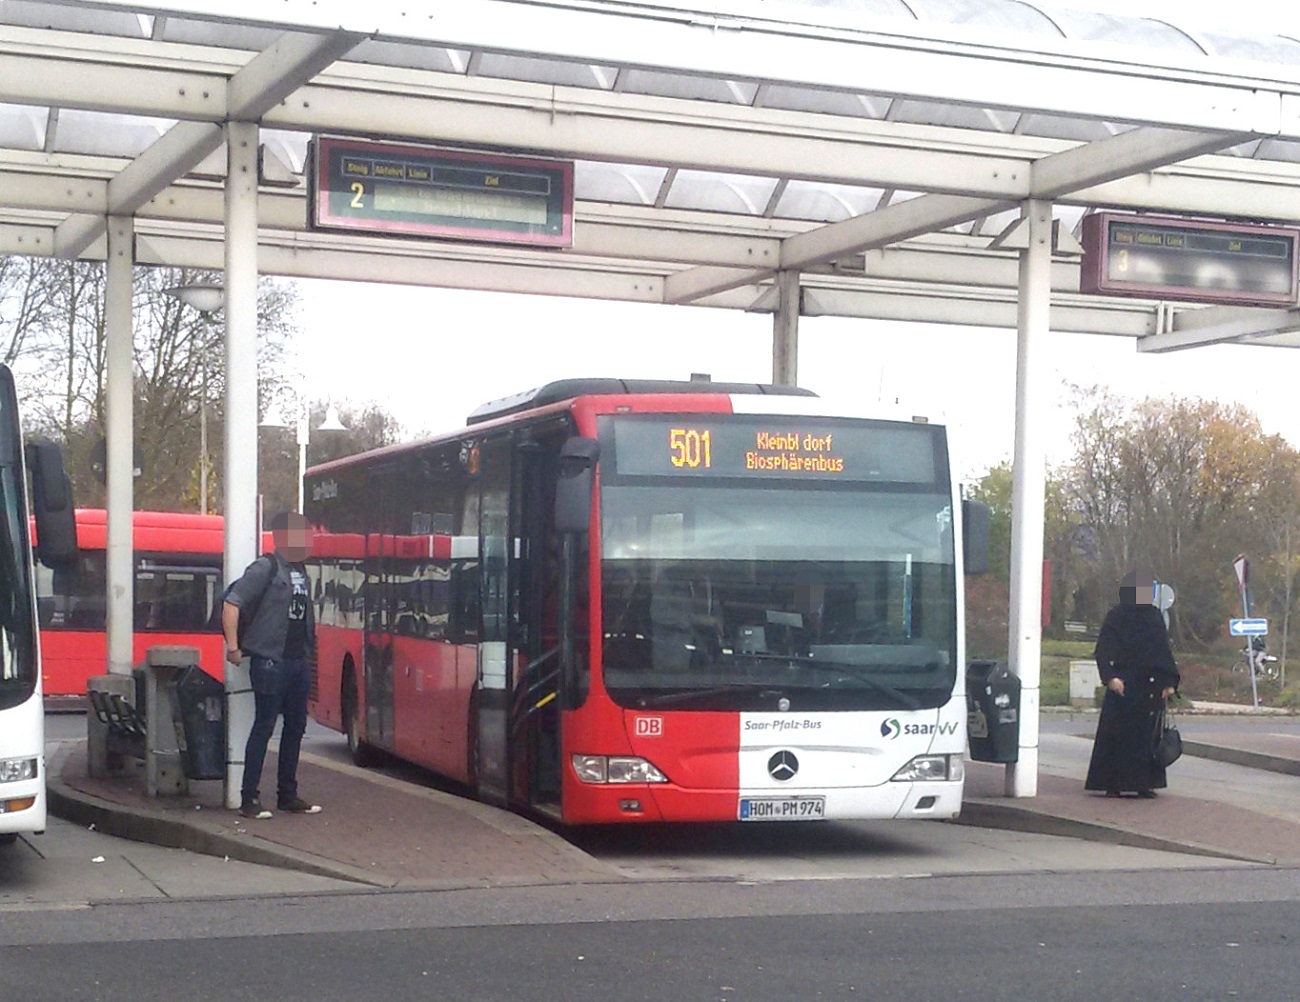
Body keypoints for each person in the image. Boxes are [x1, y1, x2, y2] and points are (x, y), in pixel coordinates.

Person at [223, 511, 322, 820]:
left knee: (295, 727)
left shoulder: (302, 571)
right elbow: (232, 603)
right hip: (269, 660)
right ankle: (249, 798)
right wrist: (233, 646)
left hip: (297, 660)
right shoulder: (265, 567)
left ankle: (287, 795)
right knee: (264, 726)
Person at [1084, 568, 1180, 799]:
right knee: (1117, 736)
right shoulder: (1117, 616)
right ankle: (1112, 782)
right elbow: (1104, 649)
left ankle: (1144, 783)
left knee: (1147, 737)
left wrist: (1169, 681)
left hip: (1150, 686)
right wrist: (1110, 677)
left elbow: (1162, 651)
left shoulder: (1154, 616)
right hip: (1124, 684)